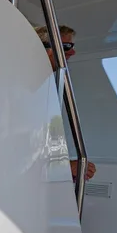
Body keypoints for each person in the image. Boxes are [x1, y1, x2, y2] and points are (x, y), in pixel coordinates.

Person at [35, 25, 96, 182]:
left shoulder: (42, 87)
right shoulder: (20, 88)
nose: (73, 52)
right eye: (67, 46)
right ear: (41, 48)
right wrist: (65, 167)